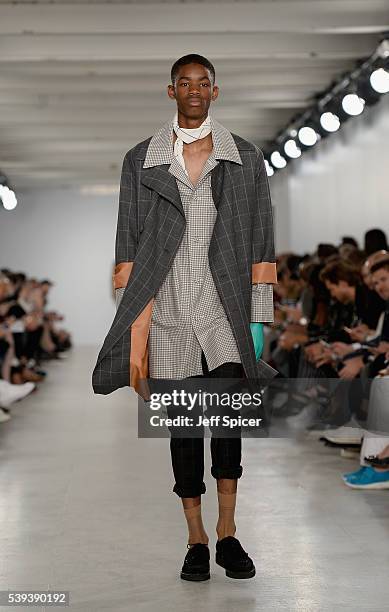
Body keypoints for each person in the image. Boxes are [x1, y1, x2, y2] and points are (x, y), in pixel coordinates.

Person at [92, 54, 277, 581]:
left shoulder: (244, 157)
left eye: (203, 83)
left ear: (215, 92)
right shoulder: (141, 160)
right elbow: (127, 241)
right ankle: (195, 538)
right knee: (182, 429)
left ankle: (227, 532)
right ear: (170, 91)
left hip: (224, 310)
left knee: (226, 424)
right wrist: (135, 326)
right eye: (184, 84)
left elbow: (261, 236)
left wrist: (258, 321)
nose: (194, 91)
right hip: (169, 310)